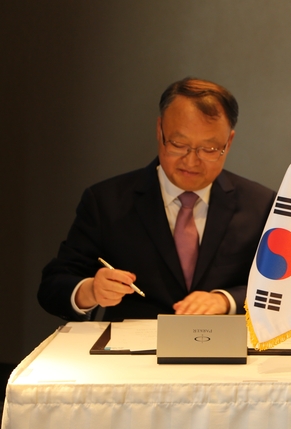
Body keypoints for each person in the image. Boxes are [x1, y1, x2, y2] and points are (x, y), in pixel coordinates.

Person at [38, 78, 276, 321]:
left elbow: (286, 289)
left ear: (229, 142)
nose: (191, 161)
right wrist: (90, 290)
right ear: (160, 130)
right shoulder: (106, 202)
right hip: (132, 343)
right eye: (178, 144)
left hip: (226, 342)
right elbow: (53, 286)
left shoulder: (262, 206)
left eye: (209, 149)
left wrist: (226, 300)